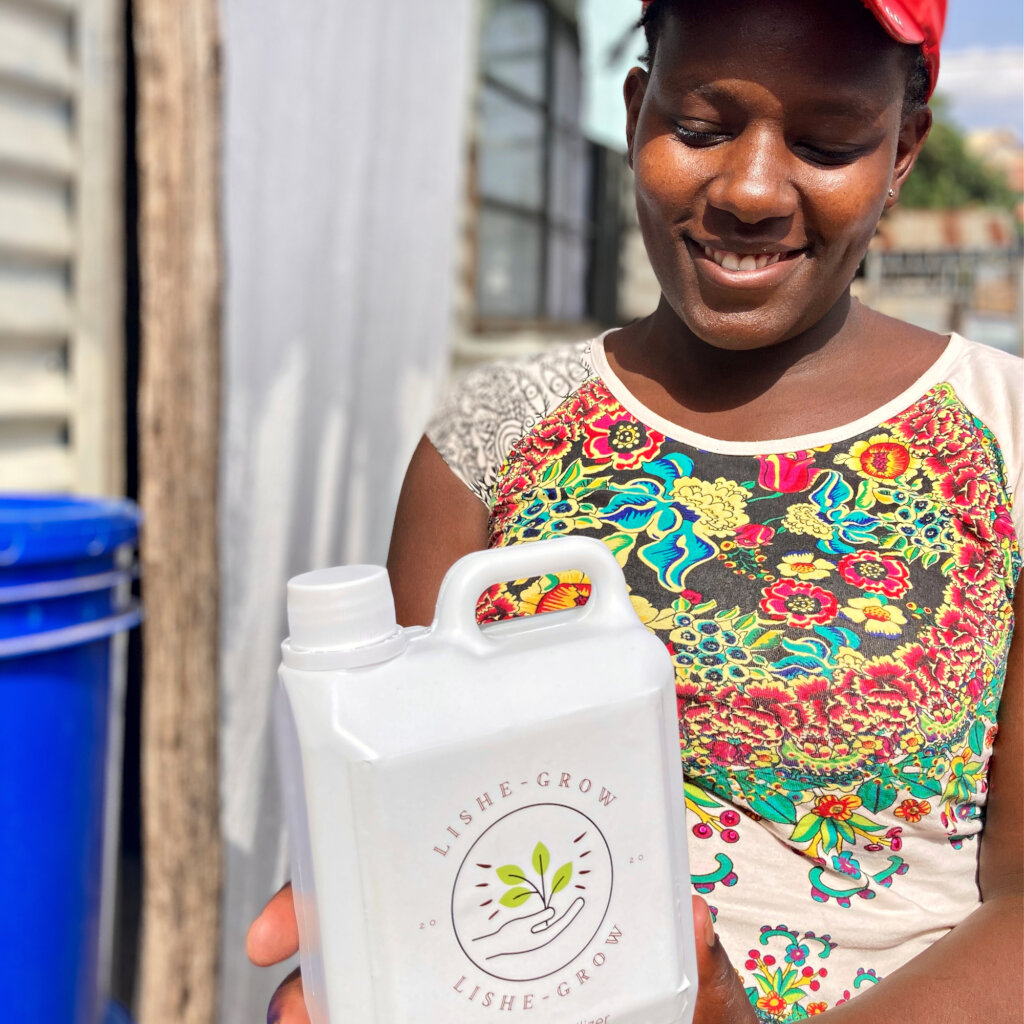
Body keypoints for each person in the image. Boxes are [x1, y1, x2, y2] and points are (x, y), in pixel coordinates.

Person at [248, 0, 1023, 1020]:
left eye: (827, 143)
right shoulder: (490, 449)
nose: (749, 189)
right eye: (699, 128)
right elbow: (417, 840)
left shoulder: (1002, 435)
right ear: (633, 112)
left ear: (903, 152)